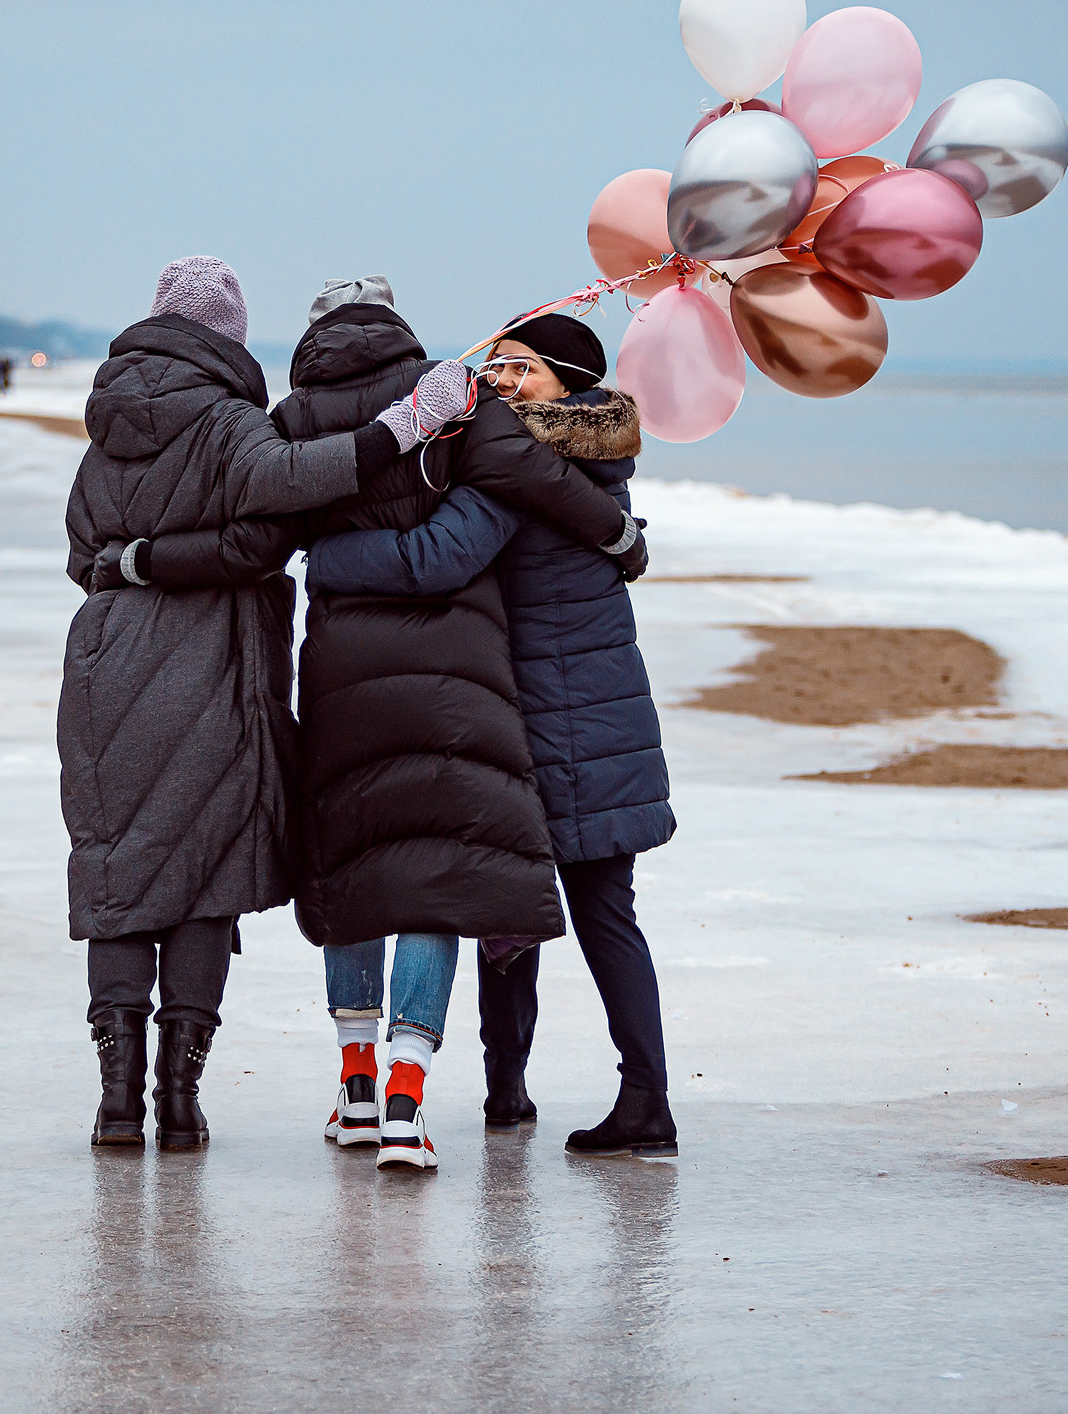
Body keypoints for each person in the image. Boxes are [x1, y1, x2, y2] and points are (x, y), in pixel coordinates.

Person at [118, 278, 647, 1173]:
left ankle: (357, 1088)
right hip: (455, 678)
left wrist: (143, 560)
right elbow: (532, 476)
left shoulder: (291, 420)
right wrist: (620, 538)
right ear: (397, 328)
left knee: (357, 869)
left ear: (317, 334)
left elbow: (252, 537)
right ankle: (408, 1098)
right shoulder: (449, 401)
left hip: (343, 678)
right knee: (435, 878)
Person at [61, 256, 470, 1154]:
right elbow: (295, 487)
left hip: (103, 667)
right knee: (202, 876)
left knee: (120, 875)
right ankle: (177, 1099)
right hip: (207, 665)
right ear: (232, 336)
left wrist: (136, 560)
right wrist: (411, 424)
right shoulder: (228, 423)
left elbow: (82, 551)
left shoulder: (107, 423)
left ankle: (116, 1103)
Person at [304, 311, 679, 1159]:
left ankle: (579, 1093)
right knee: (556, 913)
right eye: (499, 366)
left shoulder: (520, 465)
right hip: (594, 712)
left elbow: (434, 557)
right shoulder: (588, 461)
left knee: (561, 912)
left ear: (568, 387)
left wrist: (325, 561)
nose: (503, 383)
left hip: (557, 721)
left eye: (523, 371)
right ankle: (538, 1090)